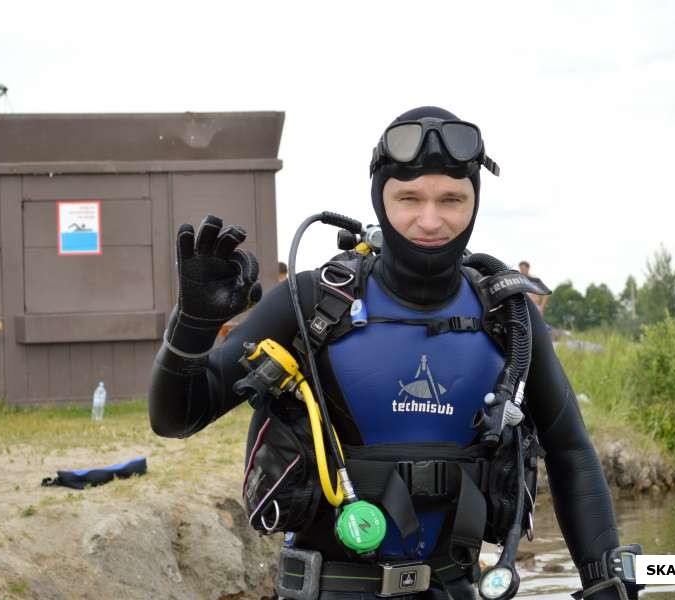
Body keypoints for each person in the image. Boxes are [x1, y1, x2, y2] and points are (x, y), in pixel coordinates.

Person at [148, 106, 642, 600]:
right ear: (380, 199)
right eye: (409, 198)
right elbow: (178, 416)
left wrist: (606, 579)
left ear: (475, 202)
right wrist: (193, 323)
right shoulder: (313, 303)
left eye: (452, 199)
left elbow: (570, 450)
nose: (430, 220)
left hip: (456, 589)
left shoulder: (507, 318)